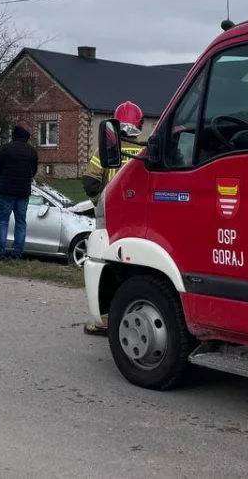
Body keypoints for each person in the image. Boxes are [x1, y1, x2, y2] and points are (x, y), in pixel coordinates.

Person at [81, 101, 146, 336]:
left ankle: (106, 320)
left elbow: (89, 184)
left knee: (108, 267)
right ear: (139, 125)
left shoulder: (106, 152)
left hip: (114, 218)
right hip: (141, 220)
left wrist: (100, 199)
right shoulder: (143, 153)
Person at [0, 125, 38, 261]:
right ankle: (17, 253)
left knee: (2, 221)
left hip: (6, 190)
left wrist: (3, 176)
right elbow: (33, 172)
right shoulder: (32, 152)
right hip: (23, 191)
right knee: (21, 222)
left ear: (13, 136)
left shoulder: (5, 149)